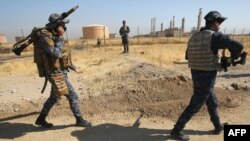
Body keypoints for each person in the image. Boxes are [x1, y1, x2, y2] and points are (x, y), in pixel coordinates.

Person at [170, 11, 245, 140]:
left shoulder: (194, 37)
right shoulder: (215, 37)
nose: (220, 26)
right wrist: (233, 58)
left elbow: (188, 56)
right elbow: (239, 46)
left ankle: (218, 126)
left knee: (212, 100)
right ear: (214, 22)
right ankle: (177, 130)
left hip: (196, 73)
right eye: (219, 22)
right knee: (196, 103)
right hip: (207, 74)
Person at [35, 13, 92, 128]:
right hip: (55, 73)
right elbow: (56, 54)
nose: (64, 28)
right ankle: (79, 120)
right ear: (56, 25)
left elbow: (63, 57)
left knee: (54, 97)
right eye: (62, 25)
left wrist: (73, 66)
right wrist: (60, 37)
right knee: (73, 96)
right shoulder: (45, 37)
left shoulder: (54, 35)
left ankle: (41, 119)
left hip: (60, 72)